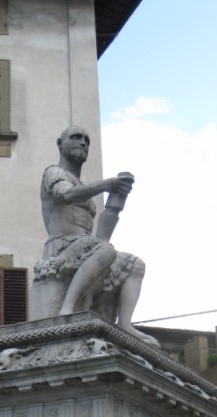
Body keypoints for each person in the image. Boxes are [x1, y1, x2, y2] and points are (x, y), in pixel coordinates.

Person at [33, 125, 158, 346]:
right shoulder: (53, 173)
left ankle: (125, 324)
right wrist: (107, 185)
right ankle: (67, 308)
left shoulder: (85, 189)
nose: (83, 143)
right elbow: (65, 195)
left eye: (87, 140)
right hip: (61, 246)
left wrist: (115, 202)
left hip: (85, 246)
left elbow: (101, 239)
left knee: (136, 265)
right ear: (60, 144)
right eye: (76, 137)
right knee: (106, 250)